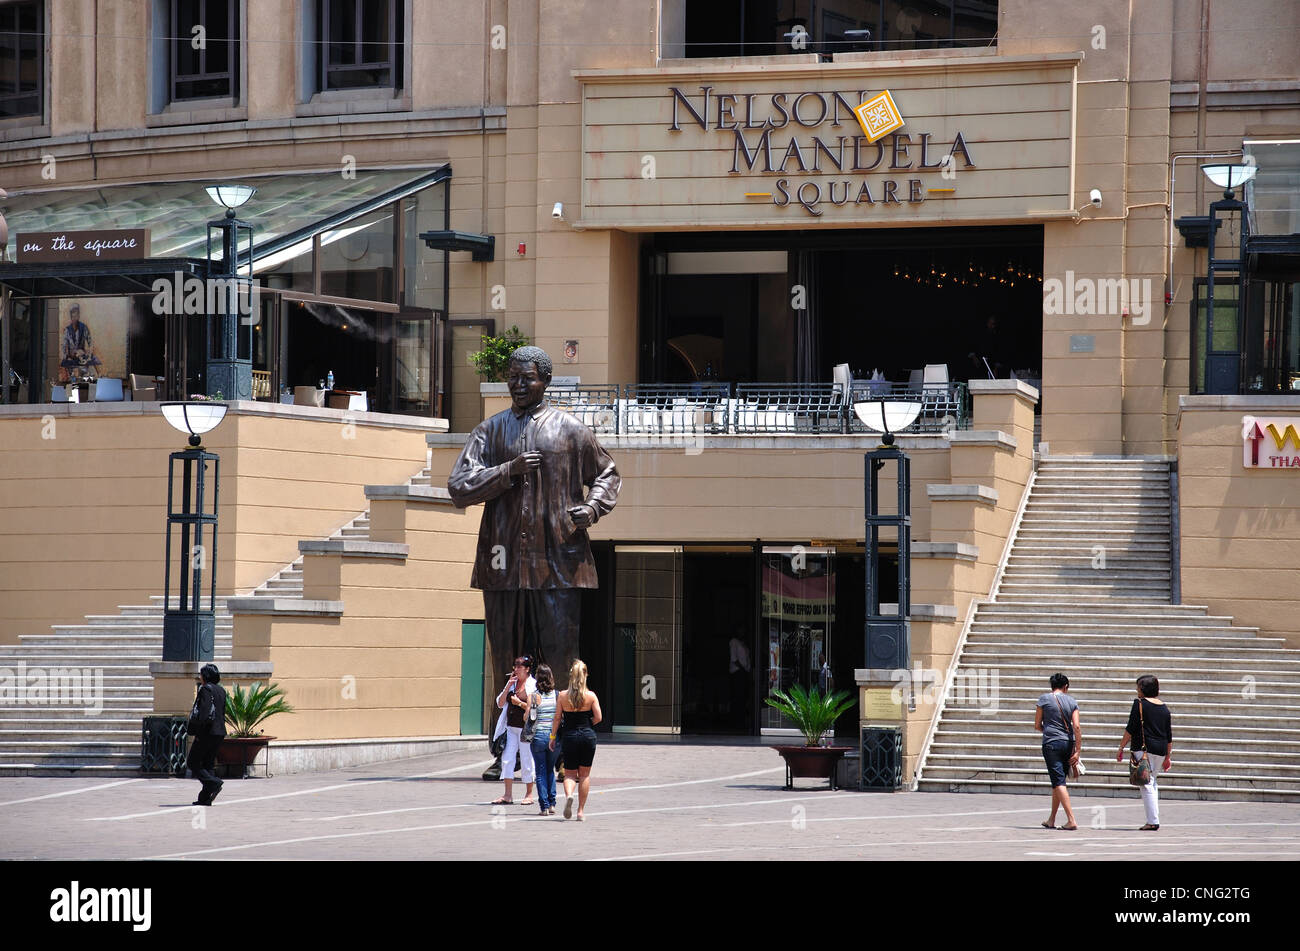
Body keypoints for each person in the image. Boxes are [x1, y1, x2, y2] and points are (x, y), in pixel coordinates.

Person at [447, 345, 620, 781]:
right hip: (503, 566)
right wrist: (508, 470)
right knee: (506, 660)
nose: (520, 384)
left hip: (560, 562)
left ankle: (561, 748)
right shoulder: (490, 431)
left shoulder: (570, 430)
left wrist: (592, 508)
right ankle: (503, 750)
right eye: (514, 377)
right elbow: (459, 486)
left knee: (562, 660)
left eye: (528, 378)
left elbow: (607, 474)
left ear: (546, 380)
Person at [1116, 675, 1173, 831]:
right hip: (1160, 750)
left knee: (1146, 784)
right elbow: (1169, 735)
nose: (1137, 690)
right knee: (1152, 781)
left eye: (1138, 687)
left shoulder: (1139, 704)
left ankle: (1153, 821)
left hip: (1143, 749)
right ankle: (1153, 818)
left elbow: (1130, 728)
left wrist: (1121, 747)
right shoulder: (1164, 707)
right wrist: (1168, 756)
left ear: (1143, 688)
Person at [550, 658, 601, 821]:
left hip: (569, 736)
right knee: (584, 775)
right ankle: (580, 812)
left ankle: (569, 795)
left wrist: (552, 737)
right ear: (585, 675)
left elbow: (557, 718)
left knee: (570, 774)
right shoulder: (591, 696)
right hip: (587, 736)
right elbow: (599, 717)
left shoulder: (563, 696)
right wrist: (588, 724)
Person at [1034, 672, 1081, 830]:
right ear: (1065, 686)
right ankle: (1051, 819)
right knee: (1058, 781)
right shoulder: (1072, 701)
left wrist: (1049, 730)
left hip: (1051, 743)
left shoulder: (1044, 699)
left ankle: (1071, 819)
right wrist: (1078, 750)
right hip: (1069, 743)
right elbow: (1077, 727)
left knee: (1058, 781)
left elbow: (1037, 724)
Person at [491, 656, 536, 805]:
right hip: (510, 728)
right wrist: (507, 686)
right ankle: (507, 794)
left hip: (525, 729)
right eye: (515, 666)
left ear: (527, 669)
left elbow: (534, 709)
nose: (516, 669)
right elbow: (500, 703)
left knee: (526, 759)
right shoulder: (512, 684)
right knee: (507, 759)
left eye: (519, 666)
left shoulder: (532, 685)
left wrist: (520, 703)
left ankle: (529, 794)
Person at [186, 663, 227, 806]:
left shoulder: (205, 690)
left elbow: (203, 713)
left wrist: (198, 732)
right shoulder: (221, 691)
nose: (200, 677)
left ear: (206, 676)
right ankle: (205, 798)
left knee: (192, 762)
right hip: (219, 732)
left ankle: (214, 783)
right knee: (208, 764)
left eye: (201, 674)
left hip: (207, 732)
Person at [528, 664, 559, 816]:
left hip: (539, 736)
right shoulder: (558, 695)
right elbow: (559, 717)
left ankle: (544, 807)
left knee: (540, 772)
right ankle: (552, 803)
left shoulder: (534, 697)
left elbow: (529, 717)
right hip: (553, 736)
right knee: (550, 769)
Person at [59, 303, 102, 381]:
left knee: (92, 365)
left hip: (82, 356)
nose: (74, 319)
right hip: (72, 358)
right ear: (70, 317)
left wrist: (88, 354)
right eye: (72, 317)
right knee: (73, 382)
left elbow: (90, 342)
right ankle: (74, 386)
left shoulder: (84, 328)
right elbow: (63, 346)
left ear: (78, 316)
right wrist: (66, 356)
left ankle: (99, 377)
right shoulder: (67, 330)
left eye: (76, 316)